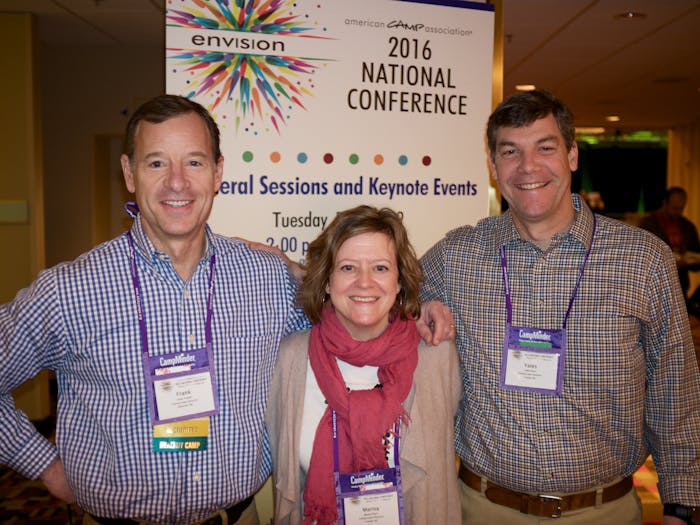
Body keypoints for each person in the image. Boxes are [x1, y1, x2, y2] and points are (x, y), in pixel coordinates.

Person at [0, 94, 452, 525]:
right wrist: (46, 468)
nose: (177, 182)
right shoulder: (70, 290)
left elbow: (351, 308)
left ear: (218, 172)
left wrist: (416, 308)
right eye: (156, 163)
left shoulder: (266, 278)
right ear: (129, 173)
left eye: (194, 162)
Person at [420, 90, 700, 525]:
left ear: (571, 155)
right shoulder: (457, 256)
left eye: (545, 147)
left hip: (605, 512)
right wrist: (420, 304)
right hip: (484, 509)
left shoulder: (643, 259)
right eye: (510, 151)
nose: (528, 166)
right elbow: (372, 297)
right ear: (493, 166)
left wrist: (681, 505)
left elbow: (675, 386)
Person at [266, 205, 462, 525]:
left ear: (399, 282)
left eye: (380, 268)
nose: (365, 282)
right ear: (327, 281)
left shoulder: (437, 356)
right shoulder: (290, 360)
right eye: (348, 268)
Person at [638, 186, 700, 298]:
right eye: (674, 208)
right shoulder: (648, 224)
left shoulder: (688, 227)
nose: (678, 212)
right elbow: (640, 255)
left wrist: (690, 261)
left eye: (681, 208)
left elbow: (696, 255)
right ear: (665, 203)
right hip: (655, 286)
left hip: (679, 285)